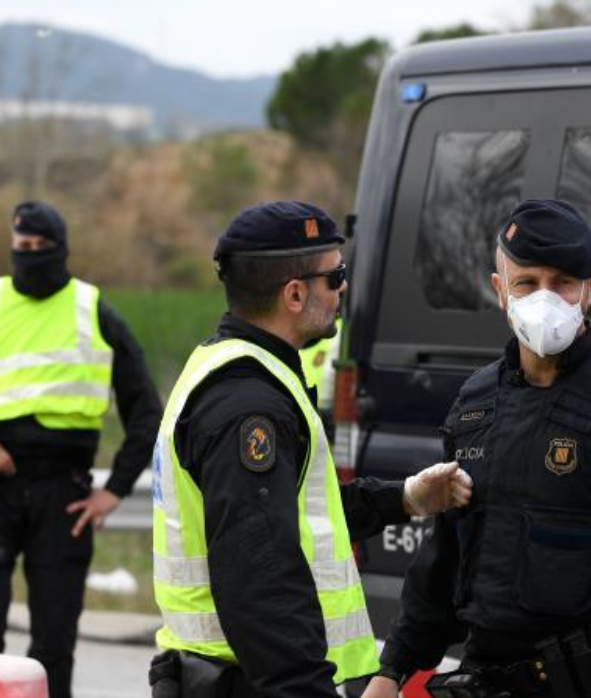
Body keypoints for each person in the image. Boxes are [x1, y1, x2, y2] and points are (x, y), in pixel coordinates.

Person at [363, 199, 591, 698]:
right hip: (483, 679)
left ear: (590, 288)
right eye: (527, 283)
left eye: (563, 282)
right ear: (501, 290)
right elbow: (444, 560)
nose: (545, 298)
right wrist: (391, 670)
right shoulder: (476, 403)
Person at [147, 201, 473, 698]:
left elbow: (297, 517)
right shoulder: (248, 406)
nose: (344, 290)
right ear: (295, 293)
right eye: (336, 276)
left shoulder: (239, 370)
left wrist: (406, 499)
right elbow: (260, 578)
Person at [0, 200, 163, 698]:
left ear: (61, 250)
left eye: (39, 248)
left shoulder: (93, 310)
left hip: (63, 494)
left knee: (53, 644)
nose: (28, 255)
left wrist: (112, 492)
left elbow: (145, 413)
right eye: (20, 247)